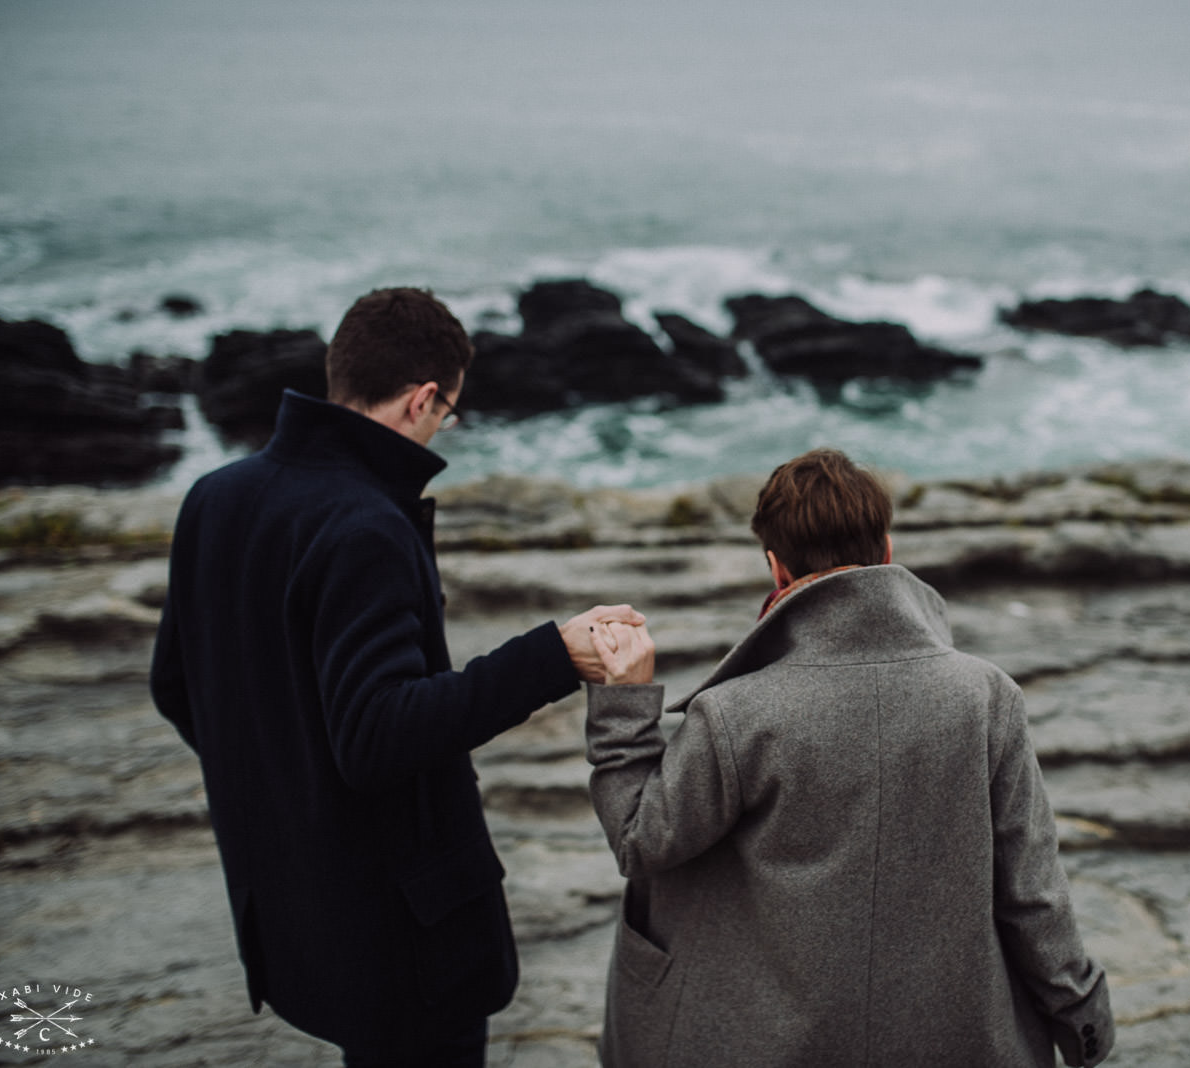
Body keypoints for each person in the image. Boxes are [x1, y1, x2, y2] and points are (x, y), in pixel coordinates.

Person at [150, 287, 643, 1067]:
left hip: (294, 909)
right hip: (401, 937)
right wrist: (554, 654)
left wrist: (291, 796)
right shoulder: (365, 526)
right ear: (422, 399)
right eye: (449, 412)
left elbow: (175, 687)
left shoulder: (213, 498)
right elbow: (378, 733)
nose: (444, 425)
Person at [584, 448, 1114, 1067]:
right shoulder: (984, 695)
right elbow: (1031, 888)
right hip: (950, 1039)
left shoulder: (735, 714)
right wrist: (1079, 1012)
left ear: (775, 569)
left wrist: (624, 704)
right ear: (886, 550)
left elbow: (641, 840)